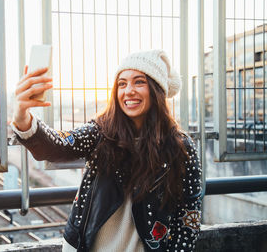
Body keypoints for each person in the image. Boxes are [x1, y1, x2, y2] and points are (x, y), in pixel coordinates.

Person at [11, 50, 202, 252]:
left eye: (139, 82)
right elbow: (59, 145)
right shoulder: (100, 132)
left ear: (157, 90)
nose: (128, 91)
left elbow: (188, 219)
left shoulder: (181, 148)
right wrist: (23, 117)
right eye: (122, 83)